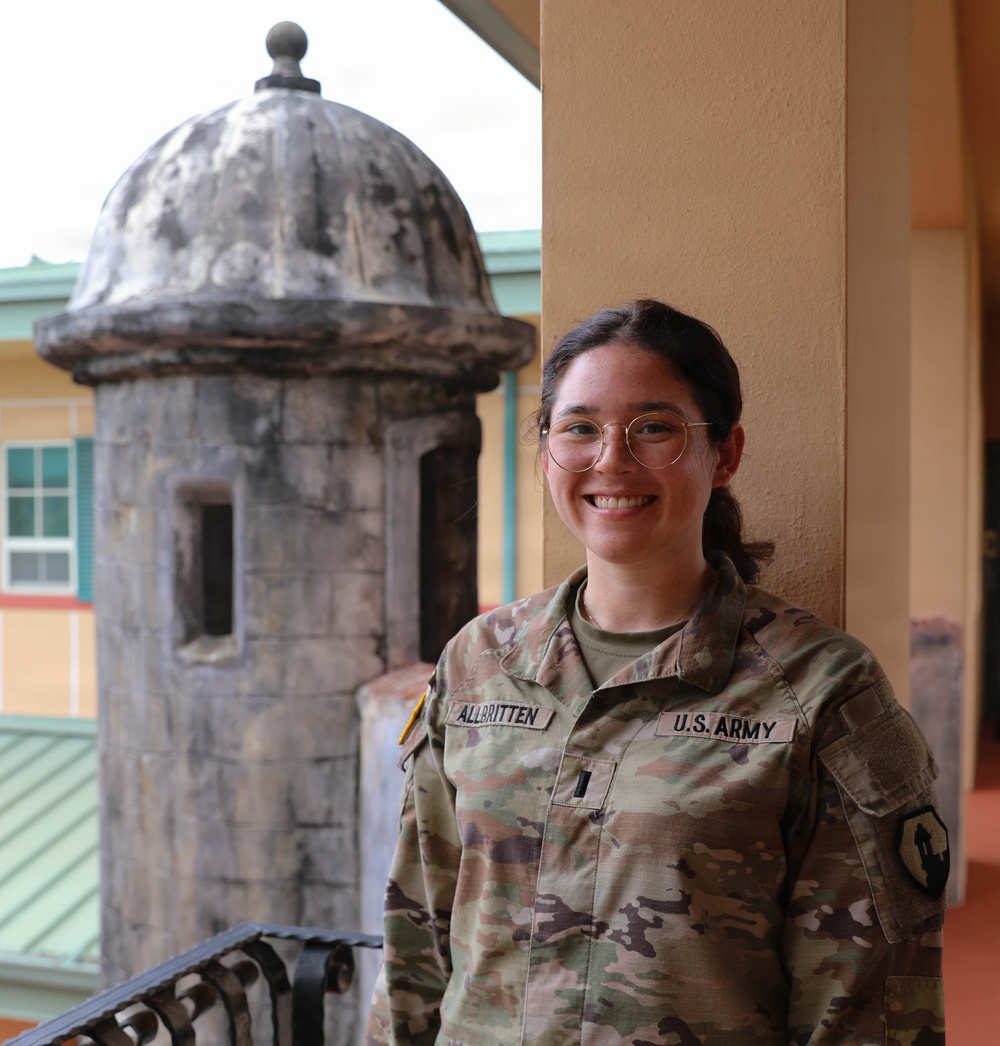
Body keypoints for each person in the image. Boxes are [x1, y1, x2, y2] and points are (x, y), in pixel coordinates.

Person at [366, 299, 947, 1045]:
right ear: (547, 450)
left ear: (725, 453)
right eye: (578, 428)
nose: (611, 460)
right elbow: (415, 938)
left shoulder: (819, 690)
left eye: (655, 429)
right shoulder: (480, 663)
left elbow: (869, 1005)